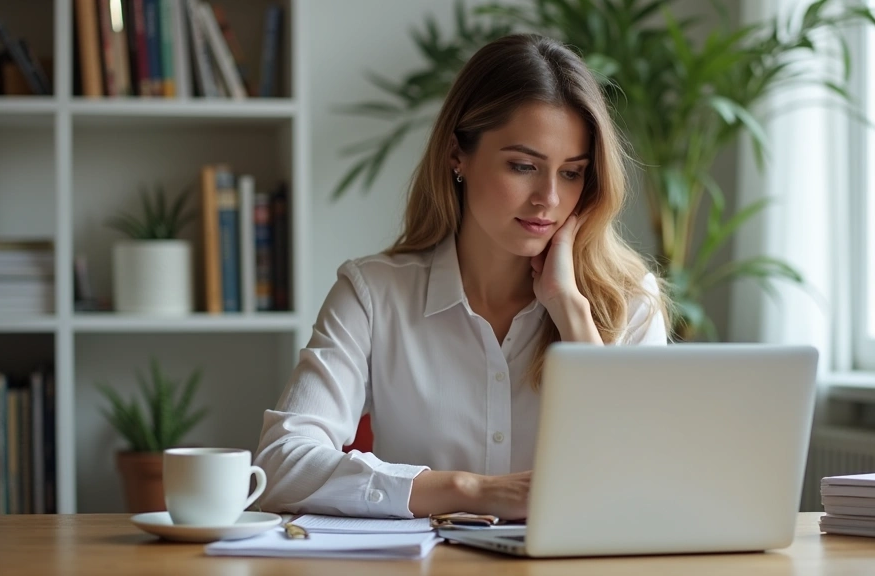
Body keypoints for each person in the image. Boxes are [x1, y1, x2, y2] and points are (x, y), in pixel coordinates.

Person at [254, 33, 670, 520]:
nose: (549, 199)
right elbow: (280, 466)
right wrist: (471, 491)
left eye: (572, 173)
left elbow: (646, 482)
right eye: (523, 166)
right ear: (458, 155)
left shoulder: (629, 303)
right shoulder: (374, 294)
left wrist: (572, 315)